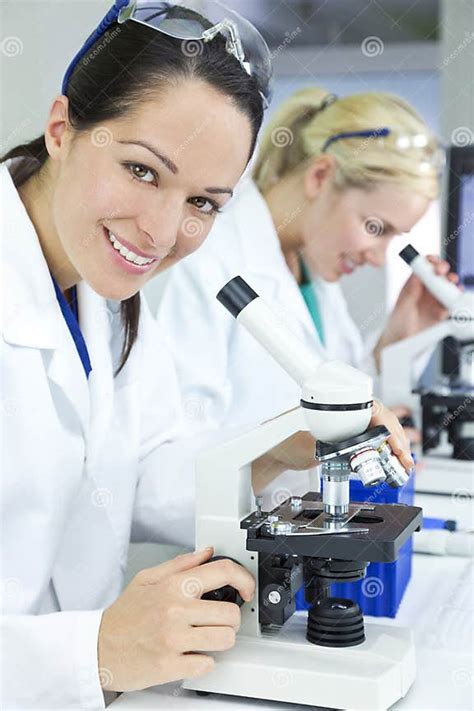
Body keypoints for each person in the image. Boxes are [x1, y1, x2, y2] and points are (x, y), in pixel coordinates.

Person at [1, 3, 413, 707]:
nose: (163, 230)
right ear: (62, 128)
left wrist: (277, 448)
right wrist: (93, 651)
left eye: (204, 201)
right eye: (142, 169)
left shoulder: (103, 297)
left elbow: (143, 469)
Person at [156, 86, 457, 502]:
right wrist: (277, 453)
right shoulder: (208, 259)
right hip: (212, 552)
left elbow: (340, 408)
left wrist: (399, 337)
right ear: (320, 176)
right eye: (376, 228)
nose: (377, 257)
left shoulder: (310, 272)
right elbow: (165, 470)